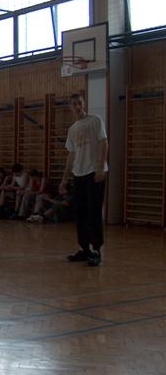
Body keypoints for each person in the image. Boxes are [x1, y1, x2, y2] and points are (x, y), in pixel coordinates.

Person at [60, 93, 108, 266]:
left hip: (93, 172)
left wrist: (100, 167)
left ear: (84, 104)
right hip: (78, 174)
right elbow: (71, 155)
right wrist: (64, 179)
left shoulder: (95, 121)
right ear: (70, 107)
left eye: (79, 103)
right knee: (80, 213)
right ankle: (84, 248)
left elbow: (103, 143)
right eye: (74, 104)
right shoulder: (72, 129)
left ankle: (96, 250)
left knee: (93, 212)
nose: (77, 106)